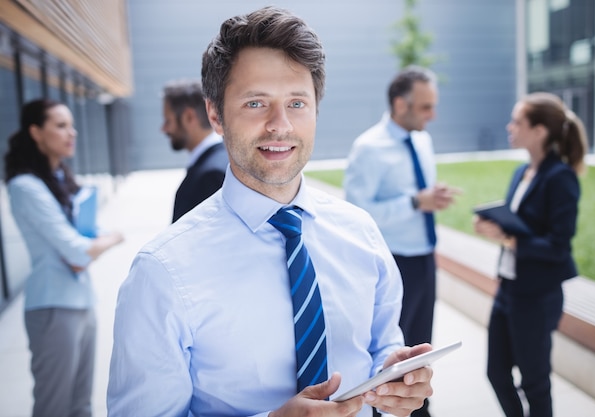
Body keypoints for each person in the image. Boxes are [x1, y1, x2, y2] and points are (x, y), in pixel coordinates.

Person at [107, 6, 434, 417]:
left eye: (297, 103)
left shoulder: (361, 233)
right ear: (215, 115)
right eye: (256, 103)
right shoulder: (162, 272)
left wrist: (394, 384)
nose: (280, 125)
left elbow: (381, 346)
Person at [344, 66, 459, 416]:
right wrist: (413, 202)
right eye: (425, 107)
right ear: (399, 104)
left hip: (425, 256)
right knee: (389, 353)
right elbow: (358, 213)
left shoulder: (422, 140)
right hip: (393, 262)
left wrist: (429, 198)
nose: (432, 115)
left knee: (421, 347)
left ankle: (419, 409)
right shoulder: (368, 148)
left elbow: (418, 194)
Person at [4, 99, 124, 417]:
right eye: (60, 125)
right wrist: (113, 238)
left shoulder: (59, 180)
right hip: (53, 307)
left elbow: (81, 244)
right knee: (54, 407)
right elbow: (77, 249)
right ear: (36, 133)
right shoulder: (25, 187)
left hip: (81, 301)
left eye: (71, 125)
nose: (71, 133)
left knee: (81, 406)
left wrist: (89, 246)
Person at [473, 92, 587, 417]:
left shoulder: (560, 177)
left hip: (537, 296)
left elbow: (558, 246)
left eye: (518, 121)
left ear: (539, 131)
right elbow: (522, 226)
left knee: (535, 383)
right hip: (508, 288)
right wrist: (495, 224)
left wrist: (508, 239)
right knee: (496, 373)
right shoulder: (522, 172)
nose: (510, 127)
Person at [161, 79, 229, 222]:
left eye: (168, 121)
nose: (164, 129)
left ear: (189, 117)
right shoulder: (220, 160)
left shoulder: (211, 175)